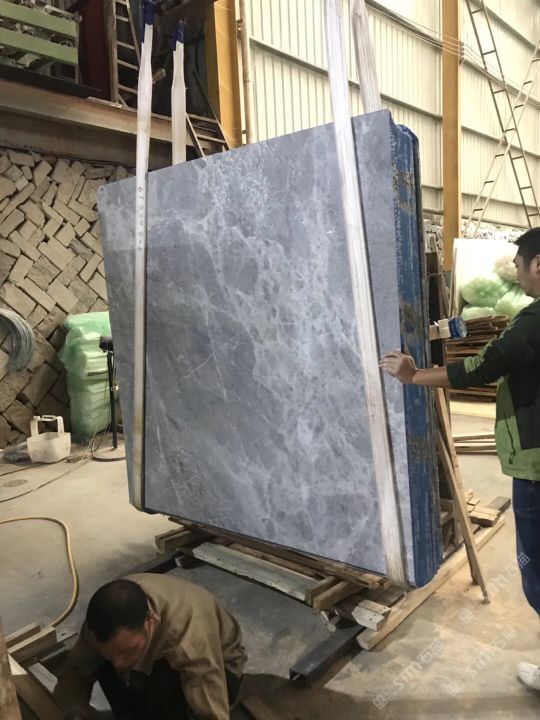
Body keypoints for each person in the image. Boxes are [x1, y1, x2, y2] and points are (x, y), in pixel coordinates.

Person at [380, 227, 540, 690]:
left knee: (537, 576)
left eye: (519, 265)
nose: (516, 274)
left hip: (536, 467)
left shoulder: (534, 322)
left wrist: (414, 376)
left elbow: (481, 366)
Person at [54, 573, 247, 720]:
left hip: (220, 667)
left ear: (150, 620)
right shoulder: (97, 628)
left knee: (164, 689)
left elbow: (210, 704)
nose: (119, 664)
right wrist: (75, 712)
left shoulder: (187, 633)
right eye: (110, 654)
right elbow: (75, 671)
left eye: (126, 651)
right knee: (103, 665)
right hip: (153, 659)